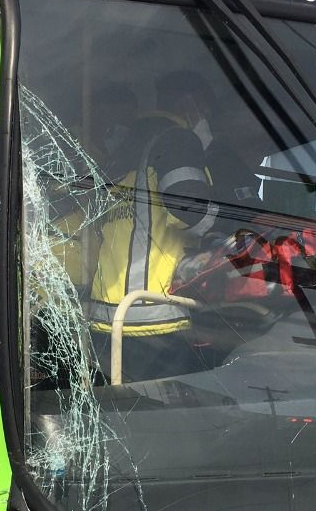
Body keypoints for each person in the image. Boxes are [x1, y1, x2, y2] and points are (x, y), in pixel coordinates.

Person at [88, 71, 219, 381]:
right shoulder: (176, 140)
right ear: (191, 105)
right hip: (158, 317)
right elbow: (191, 216)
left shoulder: (118, 151)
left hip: (105, 317)